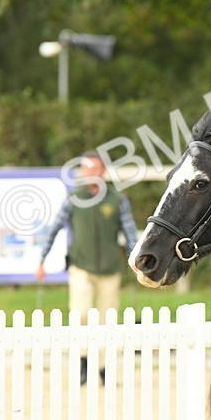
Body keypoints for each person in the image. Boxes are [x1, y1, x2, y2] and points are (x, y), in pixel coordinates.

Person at [35, 151, 140, 384]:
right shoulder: (74, 198)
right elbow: (54, 229)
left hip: (109, 269)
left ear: (102, 172)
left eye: (94, 169)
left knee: (107, 319)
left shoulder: (117, 199)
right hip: (81, 266)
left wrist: (135, 259)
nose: (89, 174)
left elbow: (130, 232)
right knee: (80, 314)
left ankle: (103, 367)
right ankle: (83, 363)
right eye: (86, 169)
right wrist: (42, 260)